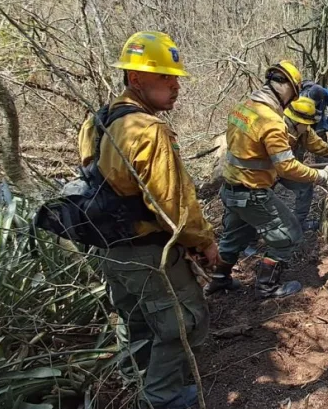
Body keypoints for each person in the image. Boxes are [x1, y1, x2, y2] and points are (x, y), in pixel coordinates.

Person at [77, 31, 218, 409]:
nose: (175, 87)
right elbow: (172, 204)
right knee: (181, 324)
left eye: (175, 78)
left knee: (137, 321)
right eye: (165, 78)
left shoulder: (97, 122)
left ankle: (141, 387)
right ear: (136, 79)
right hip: (145, 251)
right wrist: (203, 242)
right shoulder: (149, 131)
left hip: (109, 249)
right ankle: (163, 400)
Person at [207, 61, 328, 298]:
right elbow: (287, 167)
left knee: (234, 237)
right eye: (294, 93)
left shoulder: (243, 107)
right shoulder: (272, 121)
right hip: (252, 192)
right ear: (288, 88)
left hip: (231, 189)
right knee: (289, 235)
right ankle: (267, 286)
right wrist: (321, 176)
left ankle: (219, 280)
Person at [278, 96, 328, 232]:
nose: (309, 126)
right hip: (263, 173)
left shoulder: (302, 129)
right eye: (307, 123)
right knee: (256, 203)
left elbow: (317, 144)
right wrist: (319, 175)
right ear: (297, 121)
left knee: (304, 185)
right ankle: (250, 241)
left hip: (285, 167)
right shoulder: (276, 130)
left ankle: (298, 224)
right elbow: (285, 165)